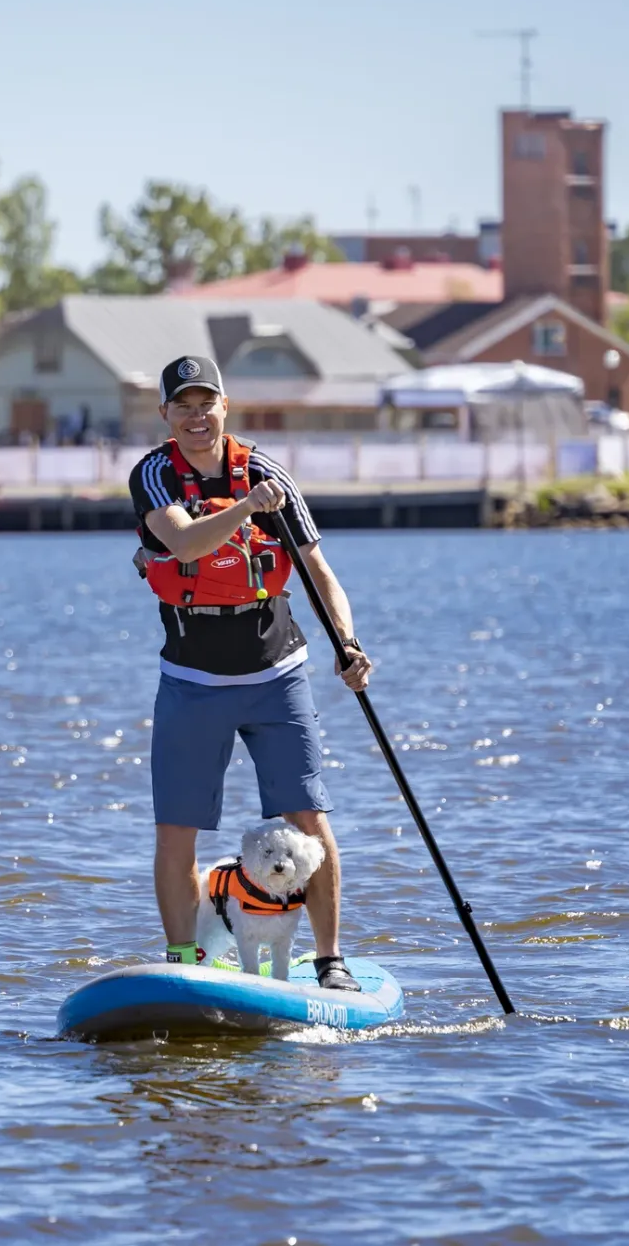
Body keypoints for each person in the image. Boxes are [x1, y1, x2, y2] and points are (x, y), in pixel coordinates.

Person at [127, 354, 373, 991]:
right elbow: (184, 545)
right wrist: (248, 507)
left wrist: (347, 643)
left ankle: (329, 962)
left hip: (276, 674)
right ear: (166, 415)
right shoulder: (154, 475)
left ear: (224, 407)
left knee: (309, 821)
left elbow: (322, 576)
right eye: (182, 405)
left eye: (206, 402)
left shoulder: (266, 473)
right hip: (192, 680)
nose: (196, 415)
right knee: (176, 829)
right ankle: (185, 961)